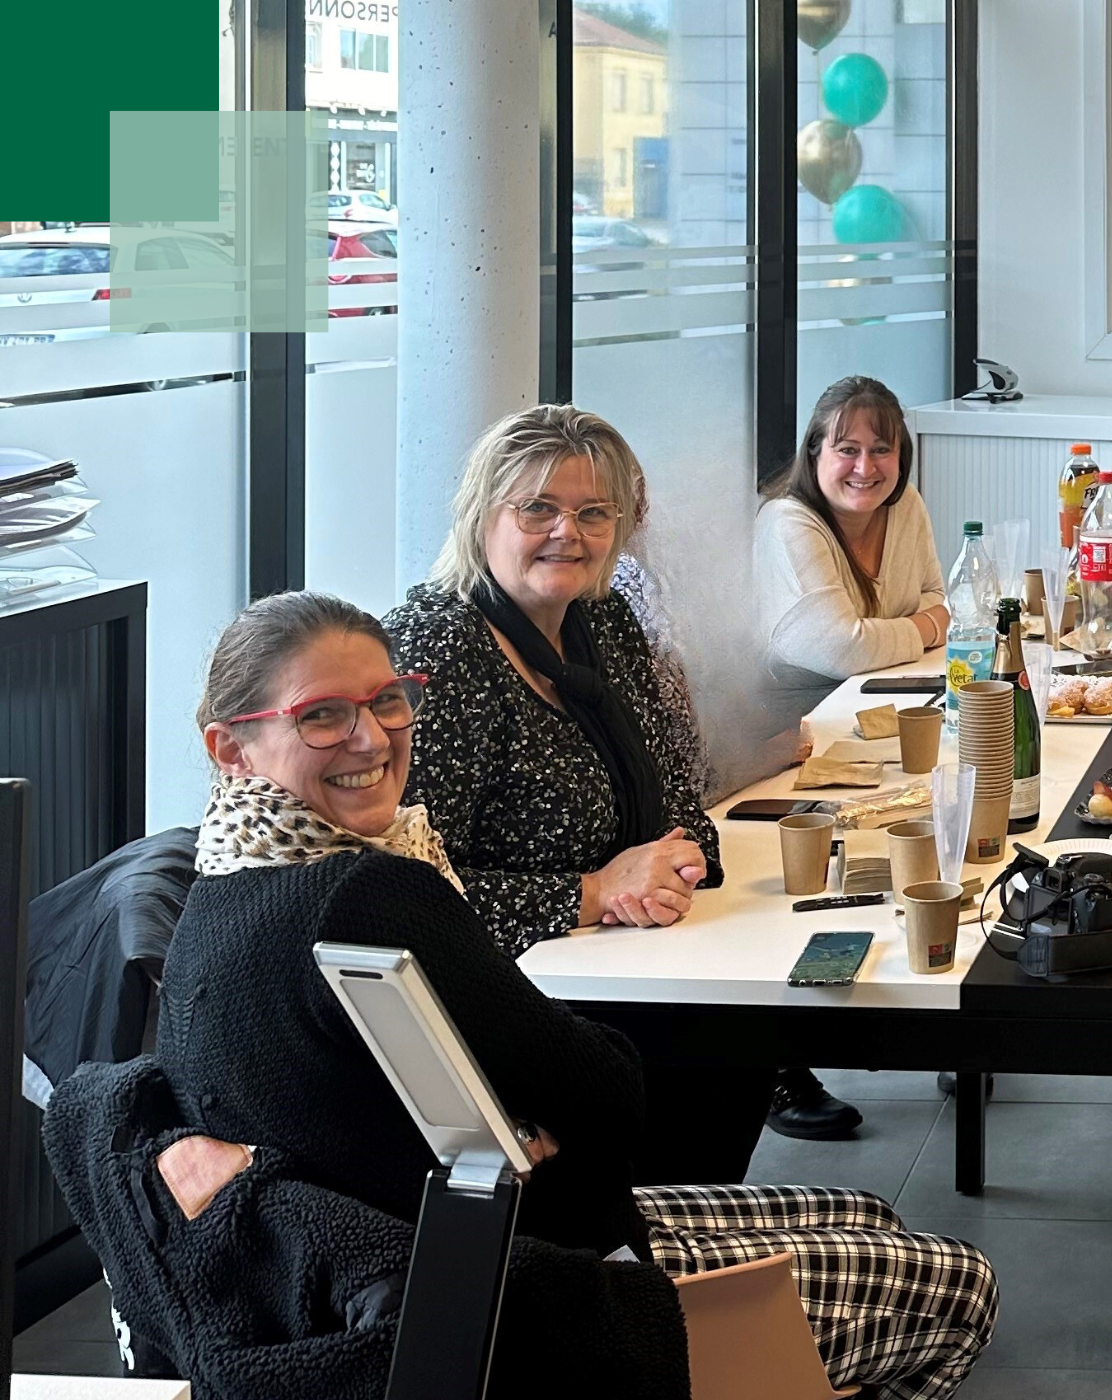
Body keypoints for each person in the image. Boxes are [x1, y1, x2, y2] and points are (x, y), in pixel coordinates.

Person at [152, 590, 997, 1397]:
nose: (372, 738)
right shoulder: (370, 892)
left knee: (864, 1211)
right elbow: (607, 1094)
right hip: (534, 1308)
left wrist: (522, 1113)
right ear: (229, 748)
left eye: (388, 700)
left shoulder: (220, 885)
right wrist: (533, 1111)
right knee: (960, 1284)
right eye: (321, 715)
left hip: (417, 1274)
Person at [384, 405, 811, 1176]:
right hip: (510, 994)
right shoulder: (440, 649)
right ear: (482, 517)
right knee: (724, 1054)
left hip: (629, 961)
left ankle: (670, 1263)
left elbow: (677, 788)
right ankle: (636, 1264)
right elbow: (406, 887)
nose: (566, 534)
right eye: (538, 509)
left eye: (592, 513)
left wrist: (673, 860)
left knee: (752, 1038)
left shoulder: (600, 618)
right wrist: (592, 892)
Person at [755, 375, 950, 733]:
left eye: (880, 450)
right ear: (814, 451)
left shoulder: (905, 503)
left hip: (891, 707)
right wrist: (929, 626)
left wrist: (876, 637)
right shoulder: (786, 522)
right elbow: (843, 650)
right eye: (847, 449)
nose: (865, 468)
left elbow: (935, 596)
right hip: (800, 731)